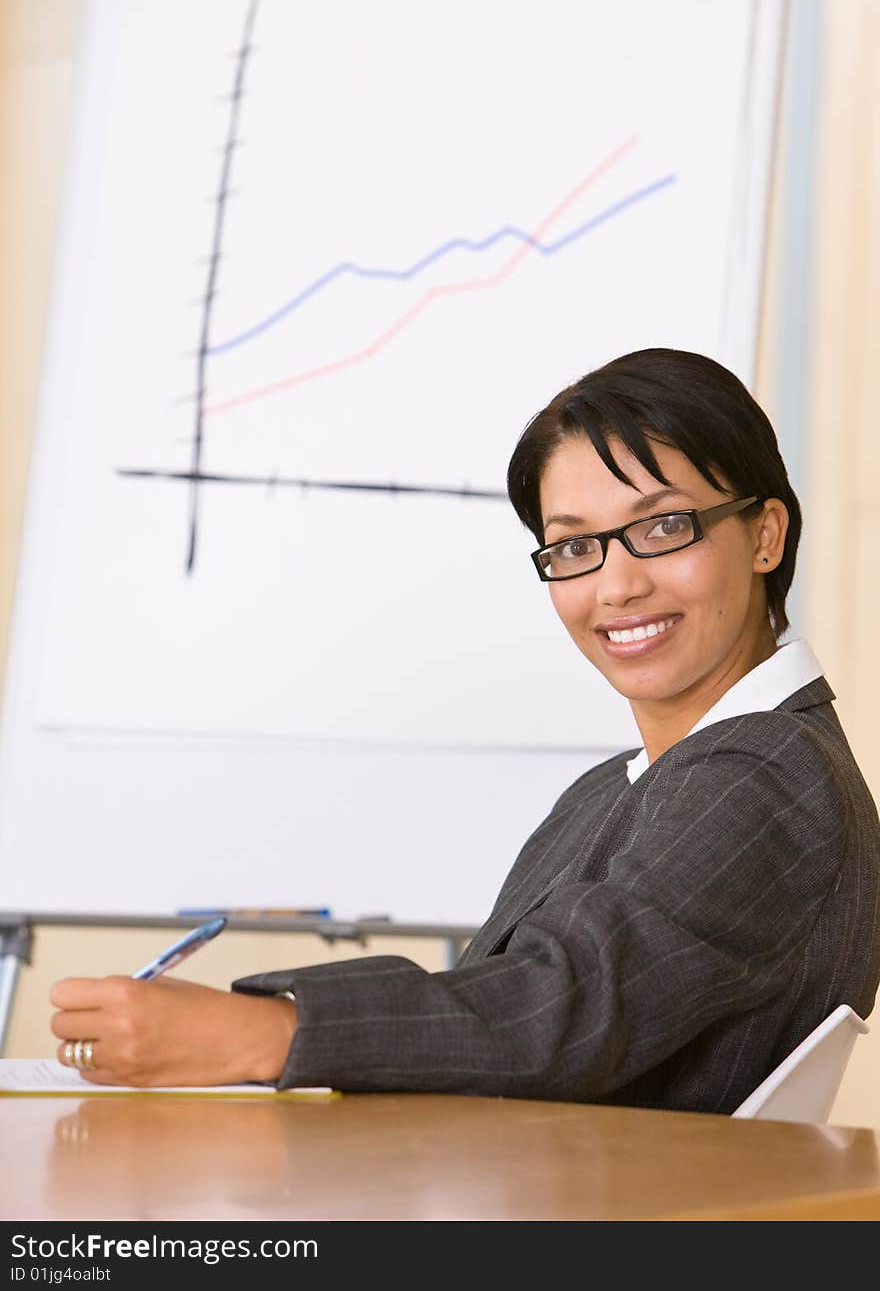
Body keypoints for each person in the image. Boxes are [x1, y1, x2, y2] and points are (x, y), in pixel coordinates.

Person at [50, 347, 880, 1113]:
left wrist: (257, 1034)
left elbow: (559, 1009)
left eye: (663, 526)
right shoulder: (616, 789)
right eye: (574, 546)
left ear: (765, 534)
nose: (617, 585)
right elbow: (501, 1008)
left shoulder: (766, 771)